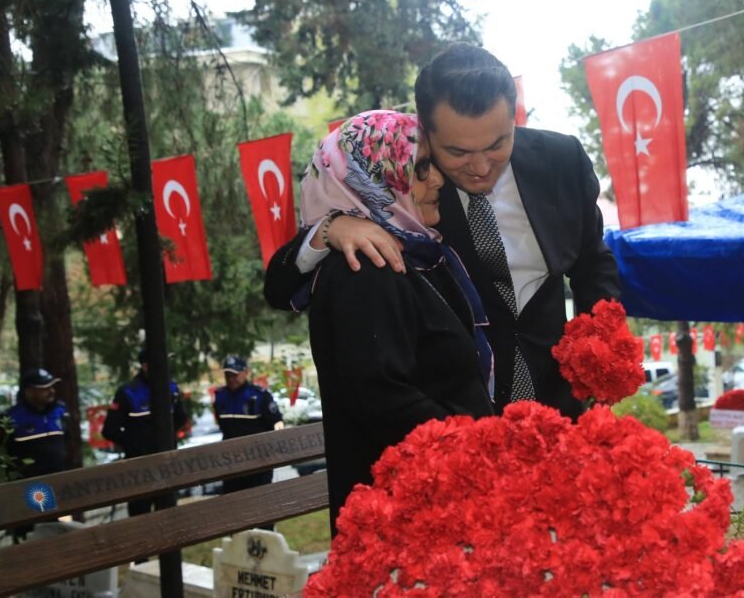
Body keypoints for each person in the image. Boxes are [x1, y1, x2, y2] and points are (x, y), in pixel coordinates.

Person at [265, 42, 620, 419]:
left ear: (514, 118)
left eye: (498, 144)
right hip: (458, 414)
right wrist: (331, 226)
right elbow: (280, 288)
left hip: (558, 398)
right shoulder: (408, 187)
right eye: (458, 153)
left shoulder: (561, 160)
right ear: (426, 131)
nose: (481, 167)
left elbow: (592, 263)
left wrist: (601, 348)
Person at [284, 109, 496, 536]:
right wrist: (473, 452)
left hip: (436, 499)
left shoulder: (416, 250)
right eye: (418, 170)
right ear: (376, 180)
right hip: (406, 516)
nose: (437, 180)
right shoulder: (365, 269)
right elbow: (381, 398)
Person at [102, 349, 187, 518]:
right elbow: (109, 430)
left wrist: (166, 439)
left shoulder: (171, 388)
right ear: (146, 366)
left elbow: (181, 418)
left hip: (167, 467)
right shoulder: (128, 392)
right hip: (139, 470)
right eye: (160, 362)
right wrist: (136, 445)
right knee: (140, 518)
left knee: (170, 518)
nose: (165, 367)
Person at [0, 369, 72, 541]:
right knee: (26, 536)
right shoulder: (10, 419)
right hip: (27, 490)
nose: (51, 391)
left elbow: (68, 443)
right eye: (44, 388)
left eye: (52, 386)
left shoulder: (61, 411)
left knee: (56, 533)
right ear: (28, 391)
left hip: (59, 486)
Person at [213, 355, 284, 499]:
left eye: (235, 374)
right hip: (231, 463)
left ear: (246, 372)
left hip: (258, 461)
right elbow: (222, 426)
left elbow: (277, 422)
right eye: (228, 375)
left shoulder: (259, 396)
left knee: (261, 503)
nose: (231, 378)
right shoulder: (220, 396)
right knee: (233, 504)